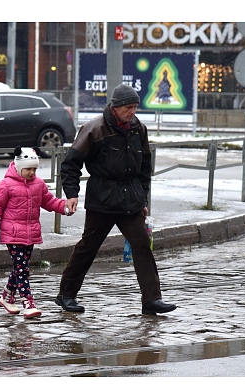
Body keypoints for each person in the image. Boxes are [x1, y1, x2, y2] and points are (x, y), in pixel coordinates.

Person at [55, 83, 177, 316]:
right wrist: (71, 193)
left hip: (130, 199)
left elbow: (144, 168)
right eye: (129, 108)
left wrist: (143, 199)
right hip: (102, 198)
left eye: (135, 108)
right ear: (116, 107)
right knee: (88, 247)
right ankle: (66, 294)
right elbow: (70, 165)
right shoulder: (94, 129)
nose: (133, 112)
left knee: (142, 245)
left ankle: (152, 299)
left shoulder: (138, 129)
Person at [0, 146, 72, 319]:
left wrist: (64, 208)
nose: (32, 172)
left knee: (19, 268)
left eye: (34, 169)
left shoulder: (38, 184)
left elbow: (49, 201)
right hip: (12, 234)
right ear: (18, 167)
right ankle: (28, 303)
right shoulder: (6, 185)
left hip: (31, 234)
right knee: (22, 269)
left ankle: (7, 297)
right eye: (28, 169)